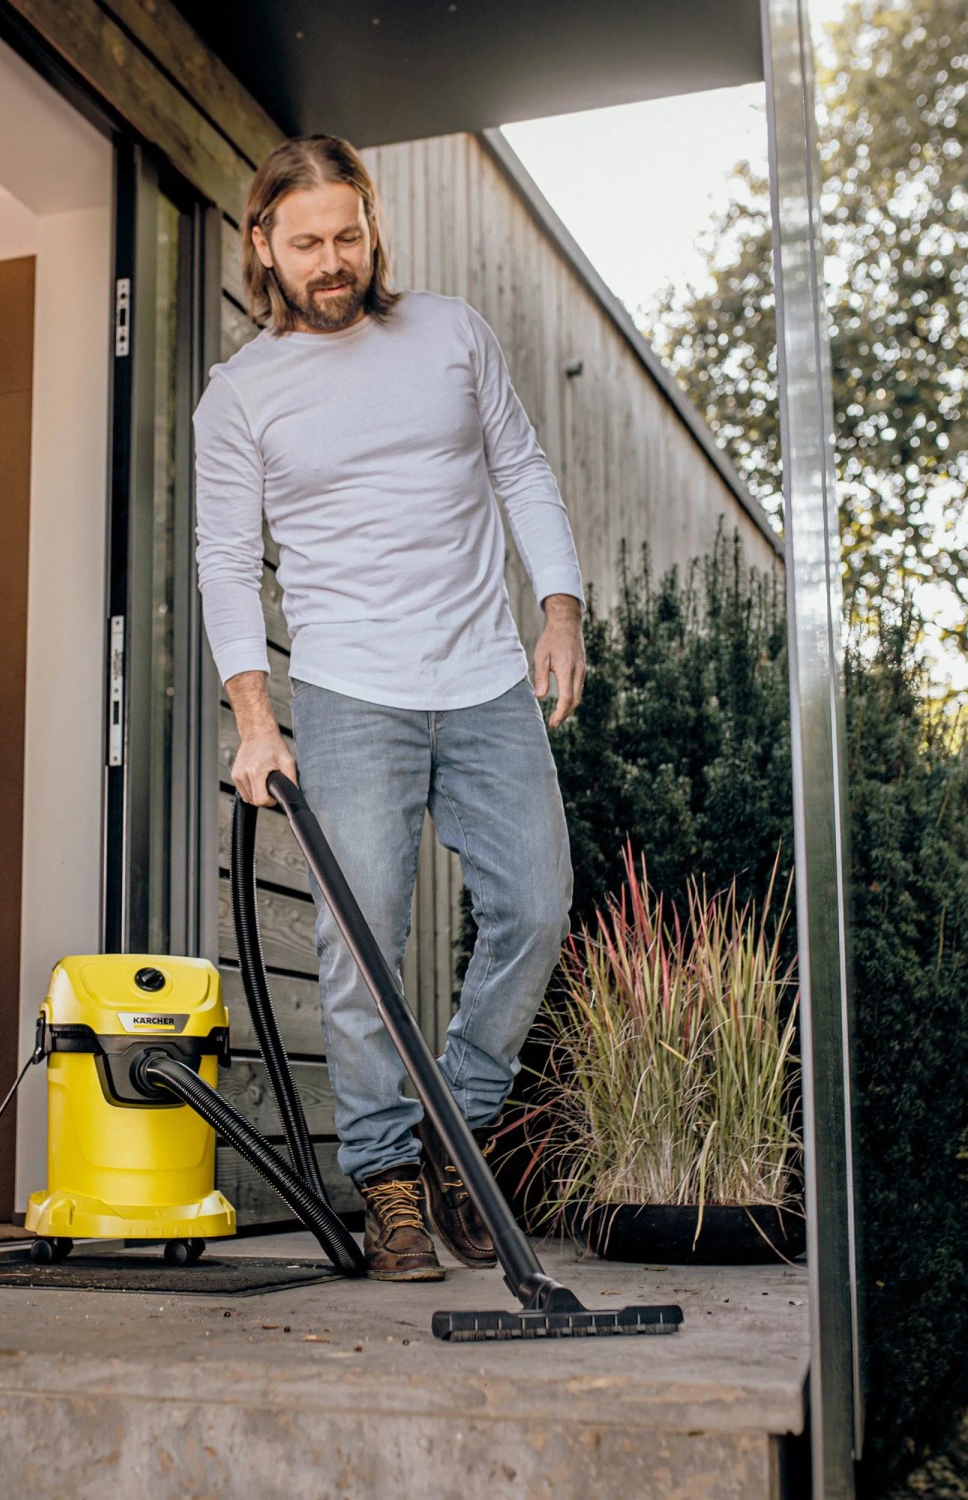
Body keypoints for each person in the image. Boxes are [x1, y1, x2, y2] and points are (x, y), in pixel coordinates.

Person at [193, 135, 586, 1282]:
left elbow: (521, 468)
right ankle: (391, 1183)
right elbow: (227, 561)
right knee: (359, 949)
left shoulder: (451, 333)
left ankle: (455, 1128)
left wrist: (558, 609)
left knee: (536, 904)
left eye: (348, 235)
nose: (333, 261)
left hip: (483, 678)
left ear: (372, 227)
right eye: (306, 242)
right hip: (350, 688)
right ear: (263, 245)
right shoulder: (242, 395)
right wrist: (254, 718)